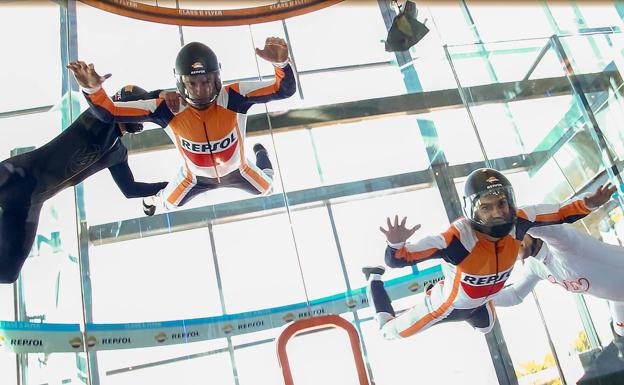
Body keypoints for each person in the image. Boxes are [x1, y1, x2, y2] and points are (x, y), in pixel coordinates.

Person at [362, 168, 615, 340]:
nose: (497, 213)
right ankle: (373, 280)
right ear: (473, 210)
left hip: (480, 303)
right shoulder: (457, 239)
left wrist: (590, 203)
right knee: (389, 332)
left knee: (486, 327)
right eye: (486, 207)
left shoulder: (520, 220)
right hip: (445, 306)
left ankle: (464, 299)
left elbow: (561, 213)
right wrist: (395, 245)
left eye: (501, 204)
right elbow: (399, 259)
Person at [67, 37, 297, 216]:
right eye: (192, 83)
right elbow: (111, 112)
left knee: (268, 187)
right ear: (180, 82)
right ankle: (151, 200)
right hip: (194, 178)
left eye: (206, 81)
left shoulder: (235, 95)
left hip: (239, 169)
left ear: (217, 77)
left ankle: (261, 152)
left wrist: (281, 63)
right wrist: (92, 90)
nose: (200, 89)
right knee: (168, 203)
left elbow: (283, 89)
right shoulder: (167, 108)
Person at [0, 85, 168, 283]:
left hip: (31, 201)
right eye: (139, 109)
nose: (142, 119)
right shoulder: (97, 119)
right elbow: (104, 108)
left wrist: (168, 187)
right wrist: (159, 95)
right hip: (16, 175)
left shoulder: (118, 153)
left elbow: (129, 189)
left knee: (8, 273)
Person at [493, 223, 624, 339]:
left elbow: (542, 224)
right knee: (620, 337)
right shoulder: (534, 266)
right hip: (618, 298)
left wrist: (513, 221)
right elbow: (515, 295)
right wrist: (477, 301)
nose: (511, 245)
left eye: (511, 237)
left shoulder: (562, 241)